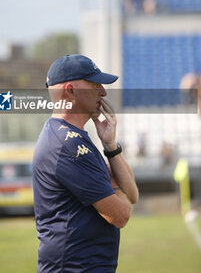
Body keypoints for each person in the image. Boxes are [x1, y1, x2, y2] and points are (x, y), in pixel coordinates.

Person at [32, 54, 139, 273]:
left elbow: (133, 195)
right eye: (94, 84)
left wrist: (110, 146)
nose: (103, 91)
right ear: (70, 91)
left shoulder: (74, 137)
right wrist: (112, 181)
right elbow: (121, 215)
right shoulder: (67, 145)